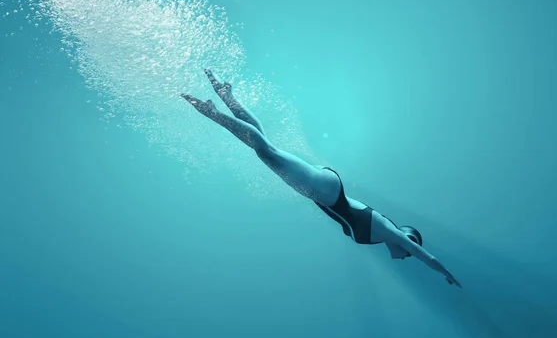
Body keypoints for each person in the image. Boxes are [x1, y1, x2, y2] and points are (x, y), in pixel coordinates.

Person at [182, 69, 462, 287]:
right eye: (408, 250)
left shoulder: (380, 237)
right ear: (407, 241)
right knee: (266, 151)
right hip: (325, 192)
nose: (405, 257)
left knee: (266, 147)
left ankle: (226, 95)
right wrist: (445, 273)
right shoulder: (391, 232)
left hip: (322, 192)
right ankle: (213, 112)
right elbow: (428, 256)